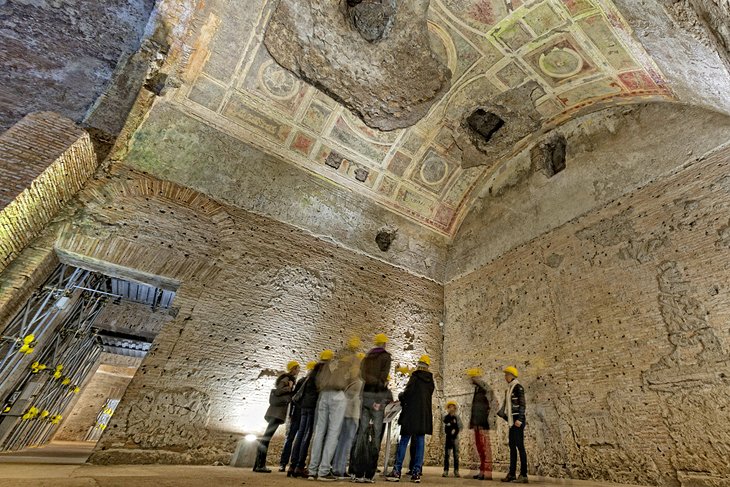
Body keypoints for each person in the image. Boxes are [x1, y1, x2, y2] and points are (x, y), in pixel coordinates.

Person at [386, 355, 435, 484]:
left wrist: (401, 395)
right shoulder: (431, 381)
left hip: (411, 414)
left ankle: (397, 471)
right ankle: (416, 472)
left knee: (404, 441)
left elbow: (407, 394)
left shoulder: (415, 376)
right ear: (428, 366)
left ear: (419, 364)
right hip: (423, 416)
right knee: (420, 443)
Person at [352, 333, 392, 482]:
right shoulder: (386, 357)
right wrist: (379, 384)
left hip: (365, 396)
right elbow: (384, 376)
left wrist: (370, 380)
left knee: (361, 434)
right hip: (377, 397)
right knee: (375, 436)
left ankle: (357, 473)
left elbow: (361, 375)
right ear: (384, 344)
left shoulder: (366, 357)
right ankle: (369, 474)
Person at [307, 348, 351, 481]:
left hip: (323, 395)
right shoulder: (345, 366)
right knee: (333, 434)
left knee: (319, 432)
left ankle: (312, 470)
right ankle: (324, 470)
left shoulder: (322, 367)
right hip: (337, 396)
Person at [253, 360, 299, 473]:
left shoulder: (288, 379)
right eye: (297, 368)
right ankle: (260, 465)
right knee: (266, 438)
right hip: (276, 413)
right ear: (292, 369)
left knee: (266, 438)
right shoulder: (287, 379)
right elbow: (278, 391)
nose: (298, 370)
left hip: (276, 413)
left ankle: (257, 465)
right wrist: (290, 387)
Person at [288, 358, 325, 478]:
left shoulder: (306, 379)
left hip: (303, 408)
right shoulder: (318, 380)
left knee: (300, 435)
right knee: (306, 436)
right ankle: (299, 466)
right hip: (312, 408)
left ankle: (292, 466)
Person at [498, 366, 528, 484]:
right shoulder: (509, 389)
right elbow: (509, 409)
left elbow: (522, 404)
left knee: (520, 447)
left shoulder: (518, 387)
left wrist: (520, 419)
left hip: (517, 421)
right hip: (512, 421)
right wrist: (503, 415)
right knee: (512, 446)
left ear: (512, 375)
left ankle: (524, 475)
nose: (505, 377)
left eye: (507, 375)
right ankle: (512, 474)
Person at [280, 361, 311, 472]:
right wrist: (291, 413)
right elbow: (294, 398)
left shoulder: (299, 381)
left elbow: (294, 398)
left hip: (297, 413)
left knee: (292, 438)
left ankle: (285, 464)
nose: (298, 370)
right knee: (295, 438)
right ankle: (291, 463)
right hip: (299, 413)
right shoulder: (297, 381)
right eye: (297, 368)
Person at [468, 368, 493, 480]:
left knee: (484, 448)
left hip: (481, 424)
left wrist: (479, 423)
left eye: (472, 377)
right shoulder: (478, 390)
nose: (471, 379)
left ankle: (486, 473)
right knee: (480, 448)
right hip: (477, 424)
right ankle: (482, 471)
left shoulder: (483, 390)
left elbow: (485, 408)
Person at [442, 400, 463, 478]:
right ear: (448, 408)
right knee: (447, 455)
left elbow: (461, 426)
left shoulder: (457, 417)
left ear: (455, 408)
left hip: (455, 438)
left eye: (452, 407)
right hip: (448, 438)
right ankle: (446, 470)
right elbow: (444, 427)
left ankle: (456, 471)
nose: (451, 408)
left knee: (456, 455)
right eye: (449, 407)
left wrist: (455, 431)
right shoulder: (446, 417)